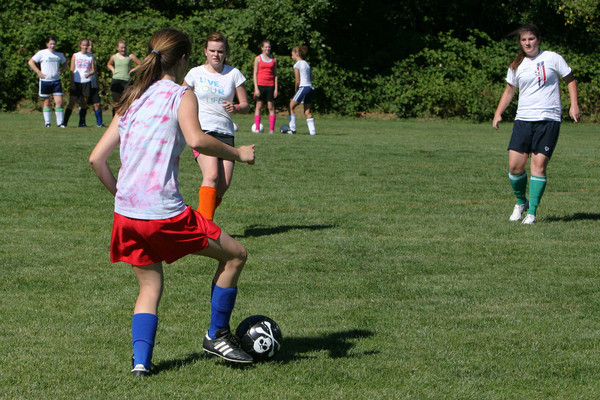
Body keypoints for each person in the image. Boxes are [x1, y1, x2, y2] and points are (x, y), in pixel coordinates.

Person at [89, 28, 256, 377]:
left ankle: (140, 364)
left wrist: (124, 197)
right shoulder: (183, 94)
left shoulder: (132, 96)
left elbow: (96, 160)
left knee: (150, 286)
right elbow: (197, 138)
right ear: (182, 60)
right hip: (164, 214)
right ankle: (217, 335)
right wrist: (238, 153)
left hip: (126, 216)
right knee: (236, 255)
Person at [493, 23, 580, 224]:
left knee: (538, 166)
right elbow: (509, 91)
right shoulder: (516, 65)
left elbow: (570, 80)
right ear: (520, 43)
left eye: (531, 39)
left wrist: (573, 105)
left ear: (538, 40)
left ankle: (532, 212)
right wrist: (498, 113)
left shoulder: (552, 58)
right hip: (523, 120)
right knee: (515, 167)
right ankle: (521, 202)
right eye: (524, 40)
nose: (527, 43)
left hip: (549, 120)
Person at [183, 32, 249, 222]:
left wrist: (236, 107)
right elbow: (180, 97)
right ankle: (204, 230)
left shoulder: (233, 73)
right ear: (205, 51)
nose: (216, 55)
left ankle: (197, 220)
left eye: (220, 51)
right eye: (212, 50)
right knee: (211, 175)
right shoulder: (195, 73)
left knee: (223, 184)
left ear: (225, 52)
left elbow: (245, 105)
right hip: (202, 131)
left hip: (226, 132)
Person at [27, 37, 68, 127]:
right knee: (47, 102)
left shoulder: (59, 55)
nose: (52, 46)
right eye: (51, 44)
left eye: (54, 44)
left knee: (59, 102)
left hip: (56, 81)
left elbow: (65, 63)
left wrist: (61, 71)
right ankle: (47, 123)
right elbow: (31, 62)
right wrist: (38, 72)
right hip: (45, 81)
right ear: (47, 44)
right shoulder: (42, 53)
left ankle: (60, 123)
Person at [63, 38, 95, 127]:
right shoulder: (75, 55)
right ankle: (64, 122)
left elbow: (93, 70)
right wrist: (72, 81)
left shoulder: (90, 56)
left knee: (84, 103)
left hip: (86, 81)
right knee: (72, 102)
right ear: (80, 45)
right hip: (76, 81)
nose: (85, 47)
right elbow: (72, 69)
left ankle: (82, 122)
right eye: (83, 45)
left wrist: (89, 74)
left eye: (86, 45)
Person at [287, 45, 316, 135]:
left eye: (292, 54)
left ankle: (292, 129)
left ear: (296, 54)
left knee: (290, 107)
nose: (292, 56)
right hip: (310, 88)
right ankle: (312, 131)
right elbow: (312, 78)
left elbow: (297, 81)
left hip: (303, 87)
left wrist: (296, 90)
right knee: (307, 111)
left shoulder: (297, 64)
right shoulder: (306, 63)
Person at [107, 40, 141, 116]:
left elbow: (140, 64)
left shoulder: (130, 56)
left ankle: (125, 117)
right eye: (121, 48)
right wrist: (112, 69)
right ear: (117, 48)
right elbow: (109, 64)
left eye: (124, 48)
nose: (123, 49)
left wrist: (132, 70)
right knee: (116, 101)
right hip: (116, 80)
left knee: (126, 101)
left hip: (126, 81)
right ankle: (114, 118)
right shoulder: (114, 57)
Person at [252, 39, 278, 134]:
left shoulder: (273, 59)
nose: (267, 49)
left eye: (269, 47)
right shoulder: (258, 59)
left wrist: (276, 88)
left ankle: (271, 130)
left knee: (271, 107)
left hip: (270, 85)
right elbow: (255, 74)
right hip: (260, 85)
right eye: (265, 47)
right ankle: (257, 128)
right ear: (262, 48)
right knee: (259, 106)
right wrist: (256, 88)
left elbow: (275, 74)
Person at [87, 40, 104, 127]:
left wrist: (97, 83)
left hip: (93, 84)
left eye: (91, 45)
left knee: (97, 103)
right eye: (88, 45)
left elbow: (95, 72)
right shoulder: (80, 57)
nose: (90, 47)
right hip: (84, 84)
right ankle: (82, 123)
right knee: (82, 104)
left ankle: (99, 123)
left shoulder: (93, 57)